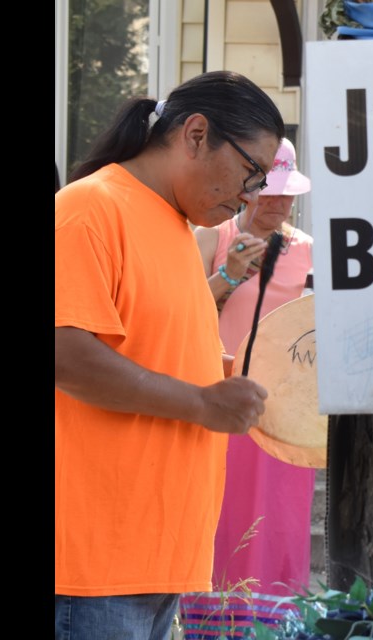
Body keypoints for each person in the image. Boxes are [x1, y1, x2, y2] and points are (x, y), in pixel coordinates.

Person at [55, 70, 285, 640]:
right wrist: (202, 401)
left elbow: (149, 348)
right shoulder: (91, 207)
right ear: (196, 133)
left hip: (155, 556)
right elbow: (64, 354)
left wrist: (223, 378)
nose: (252, 196)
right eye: (251, 171)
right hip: (93, 563)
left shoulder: (176, 226)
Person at [178, 139, 316, 636]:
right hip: (213, 400)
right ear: (248, 190)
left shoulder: (309, 252)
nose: (277, 204)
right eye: (268, 193)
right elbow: (180, 316)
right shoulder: (210, 237)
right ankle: (206, 626)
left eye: (287, 195)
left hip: (279, 411)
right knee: (217, 518)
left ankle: (276, 628)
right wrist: (229, 275)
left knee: (278, 523)